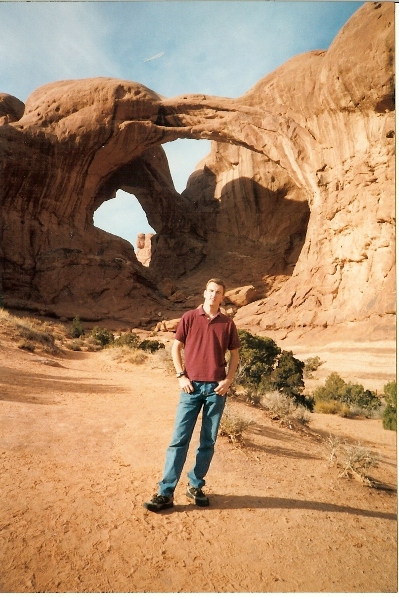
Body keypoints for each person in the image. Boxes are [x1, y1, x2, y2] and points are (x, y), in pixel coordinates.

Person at [143, 278, 240, 512]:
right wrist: (180, 375)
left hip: (216, 390)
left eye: (218, 292)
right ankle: (165, 492)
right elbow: (176, 347)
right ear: (204, 292)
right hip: (191, 387)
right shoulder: (189, 317)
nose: (213, 295)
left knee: (208, 440)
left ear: (222, 296)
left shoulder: (228, 324)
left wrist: (228, 380)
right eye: (210, 291)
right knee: (179, 439)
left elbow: (235, 354)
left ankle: (195, 485)